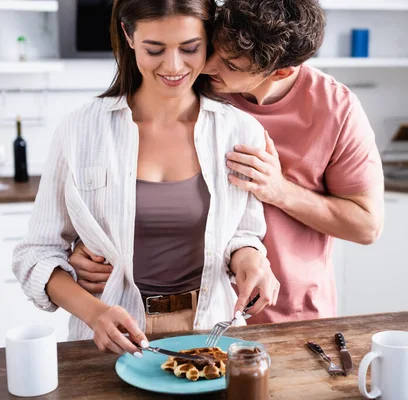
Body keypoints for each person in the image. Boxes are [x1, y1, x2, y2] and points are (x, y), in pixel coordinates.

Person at [69, 0, 384, 324]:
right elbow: (131, 176)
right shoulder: (189, 85)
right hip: (200, 316)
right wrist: (87, 243)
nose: (207, 66)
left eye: (231, 64)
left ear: (282, 71)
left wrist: (278, 189)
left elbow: (367, 225)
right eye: (212, 49)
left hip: (291, 312)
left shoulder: (336, 109)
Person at [12, 0, 279, 356]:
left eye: (190, 48)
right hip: (111, 338)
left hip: (211, 332)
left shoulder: (240, 130)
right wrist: (96, 314)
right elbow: (36, 254)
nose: (173, 66)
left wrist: (250, 261)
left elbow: (242, 234)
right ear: (129, 35)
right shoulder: (80, 131)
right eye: (155, 49)